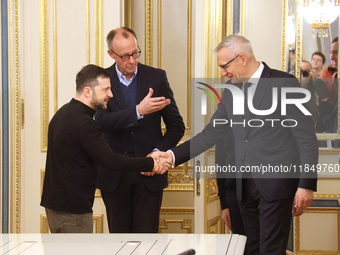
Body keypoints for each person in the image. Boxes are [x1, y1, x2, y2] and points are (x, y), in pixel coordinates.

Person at [155, 34, 318, 255]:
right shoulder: (231, 91)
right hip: (244, 187)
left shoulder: (284, 83)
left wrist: (306, 185)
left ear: (242, 58)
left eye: (224, 66)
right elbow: (211, 133)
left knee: (271, 250)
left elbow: (305, 138)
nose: (222, 73)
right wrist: (172, 156)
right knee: (249, 250)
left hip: (276, 185)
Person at [40, 64, 169, 233]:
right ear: (88, 91)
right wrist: (150, 163)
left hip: (56, 207)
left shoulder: (63, 113)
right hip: (73, 211)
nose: (111, 94)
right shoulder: (84, 123)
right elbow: (110, 160)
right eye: (106, 89)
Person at [94, 27, 185, 233]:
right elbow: (100, 122)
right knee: (120, 240)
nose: (132, 60)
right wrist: (136, 111)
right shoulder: (101, 80)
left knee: (148, 242)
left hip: (150, 173)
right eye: (125, 56)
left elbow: (176, 126)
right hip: (114, 175)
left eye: (135, 53)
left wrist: (158, 152)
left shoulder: (156, 77)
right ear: (111, 54)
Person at [215, 131, 245, 235]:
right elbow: (220, 164)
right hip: (234, 194)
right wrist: (224, 205)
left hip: (267, 194)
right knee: (241, 245)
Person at [300, 60, 328, 130]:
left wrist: (315, 80)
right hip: (299, 120)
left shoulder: (316, 82)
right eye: (301, 71)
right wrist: (303, 82)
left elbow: (324, 95)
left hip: (314, 121)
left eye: (306, 71)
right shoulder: (293, 82)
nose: (304, 73)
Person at [320, 37, 338, 102]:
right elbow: (325, 98)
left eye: (336, 53)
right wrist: (334, 82)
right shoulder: (325, 73)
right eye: (331, 53)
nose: (332, 57)